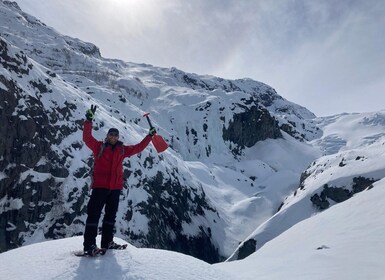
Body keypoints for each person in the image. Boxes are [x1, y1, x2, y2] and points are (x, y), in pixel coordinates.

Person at [82, 105, 156, 256]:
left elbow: (138, 148)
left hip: (115, 188)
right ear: (107, 136)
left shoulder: (122, 150)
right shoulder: (99, 147)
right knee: (94, 215)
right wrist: (89, 120)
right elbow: (87, 138)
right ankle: (89, 245)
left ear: (118, 137)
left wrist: (149, 136)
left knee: (110, 217)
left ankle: (107, 242)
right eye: (111, 135)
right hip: (100, 187)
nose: (113, 137)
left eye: (116, 135)